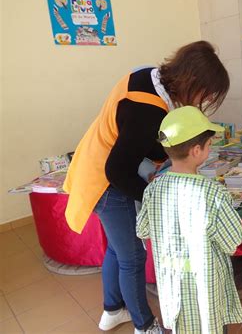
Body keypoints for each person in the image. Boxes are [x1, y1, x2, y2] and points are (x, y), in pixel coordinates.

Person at [63, 41, 230, 333]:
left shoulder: (148, 76)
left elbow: (136, 138)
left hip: (95, 164)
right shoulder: (147, 108)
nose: (204, 100)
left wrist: (159, 160)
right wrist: (154, 198)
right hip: (106, 181)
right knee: (132, 257)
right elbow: (117, 170)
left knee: (116, 250)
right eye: (207, 93)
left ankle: (113, 310)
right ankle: (144, 325)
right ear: (194, 82)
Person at [136, 106, 242, 333]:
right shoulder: (212, 193)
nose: (210, 148)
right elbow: (233, 240)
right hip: (204, 288)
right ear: (197, 151)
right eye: (209, 145)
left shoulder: (153, 188)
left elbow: (143, 229)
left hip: (172, 285)